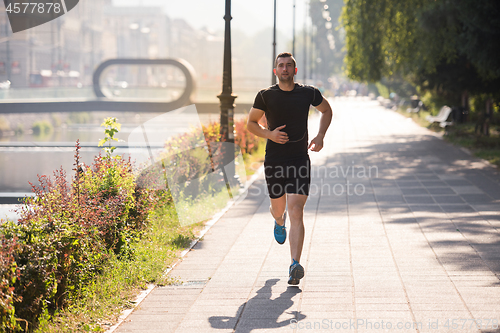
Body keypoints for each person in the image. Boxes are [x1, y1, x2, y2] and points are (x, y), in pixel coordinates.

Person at [247, 52, 332, 285]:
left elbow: (327, 110)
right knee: (279, 208)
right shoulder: (265, 96)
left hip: (299, 160)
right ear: (275, 71)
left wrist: (321, 135)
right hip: (274, 160)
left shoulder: (308, 93)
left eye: (289, 66)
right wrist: (269, 134)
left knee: (296, 209)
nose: (284, 69)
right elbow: (251, 123)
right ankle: (278, 221)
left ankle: (295, 264)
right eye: (280, 65)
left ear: (295, 70)